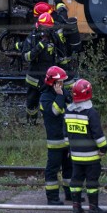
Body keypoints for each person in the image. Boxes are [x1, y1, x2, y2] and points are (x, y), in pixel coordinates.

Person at [65, 79, 107, 213]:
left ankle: (76, 207)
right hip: (91, 157)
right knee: (92, 182)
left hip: (76, 156)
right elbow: (98, 135)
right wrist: (103, 149)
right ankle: (93, 208)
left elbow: (66, 134)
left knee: (76, 181)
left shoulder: (68, 111)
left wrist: (70, 149)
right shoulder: (91, 113)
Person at [17, 12, 69, 120]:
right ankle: (31, 123)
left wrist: (65, 73)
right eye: (44, 28)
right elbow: (26, 57)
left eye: (49, 28)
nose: (46, 31)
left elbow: (62, 55)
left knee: (53, 100)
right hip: (34, 78)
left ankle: (52, 121)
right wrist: (39, 47)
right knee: (32, 102)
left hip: (50, 78)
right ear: (39, 27)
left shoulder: (54, 38)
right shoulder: (32, 38)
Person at [39, 65, 73, 205]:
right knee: (53, 169)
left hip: (67, 140)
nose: (62, 85)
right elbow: (55, 112)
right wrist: (60, 96)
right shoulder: (45, 98)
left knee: (69, 168)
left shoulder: (62, 92)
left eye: (62, 82)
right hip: (55, 141)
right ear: (52, 83)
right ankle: (52, 197)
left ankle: (71, 194)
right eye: (59, 82)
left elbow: (71, 106)